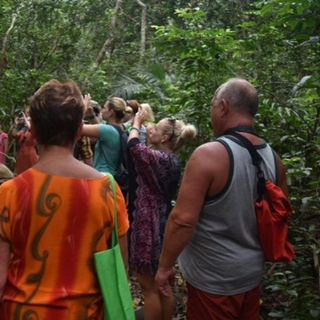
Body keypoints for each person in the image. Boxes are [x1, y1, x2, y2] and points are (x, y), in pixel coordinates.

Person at [0, 79, 129, 320]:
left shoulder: (11, 191)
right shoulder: (109, 191)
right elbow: (119, 269)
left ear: (34, 130)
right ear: (79, 130)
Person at [155, 78, 289, 319]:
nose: (211, 111)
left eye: (212, 105)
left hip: (213, 281)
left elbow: (182, 220)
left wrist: (165, 266)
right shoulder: (273, 158)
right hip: (250, 275)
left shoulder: (209, 155)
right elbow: (281, 214)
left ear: (224, 107)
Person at [128, 106, 197, 320]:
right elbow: (145, 160)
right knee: (164, 286)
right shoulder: (171, 160)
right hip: (162, 222)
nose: (152, 129)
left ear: (165, 137)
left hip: (148, 223)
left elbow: (133, 146)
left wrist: (137, 123)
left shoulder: (160, 159)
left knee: (149, 288)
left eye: (156, 128)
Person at [82, 96, 127, 175]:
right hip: (112, 175)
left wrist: (84, 107)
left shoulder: (108, 130)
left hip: (104, 175)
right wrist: (92, 116)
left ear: (111, 112)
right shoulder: (119, 128)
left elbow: (76, 128)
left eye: (104, 108)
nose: (102, 110)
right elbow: (100, 129)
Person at [11, 110, 38, 174]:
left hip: (30, 154)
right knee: (21, 173)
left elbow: (31, 128)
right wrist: (16, 124)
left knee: (31, 173)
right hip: (22, 154)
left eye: (29, 120)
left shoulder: (33, 131)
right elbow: (14, 135)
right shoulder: (23, 131)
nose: (26, 121)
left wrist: (24, 117)